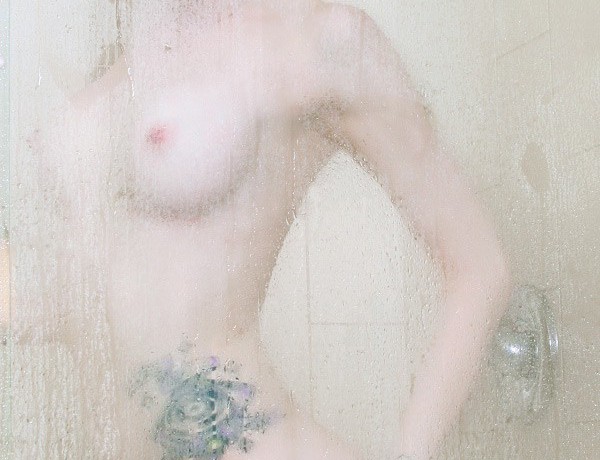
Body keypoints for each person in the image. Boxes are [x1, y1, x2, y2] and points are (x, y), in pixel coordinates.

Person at [42, 0, 511, 458]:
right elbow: (84, 287)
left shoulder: (322, 36)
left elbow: (480, 267)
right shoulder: (143, 27)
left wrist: (411, 450)